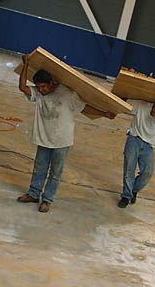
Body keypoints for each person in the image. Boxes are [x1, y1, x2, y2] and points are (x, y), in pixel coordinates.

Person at [17, 54, 115, 213]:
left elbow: (84, 107)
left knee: (55, 172)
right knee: (39, 168)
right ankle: (34, 194)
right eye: (38, 87)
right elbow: (22, 87)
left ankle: (47, 199)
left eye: (43, 87)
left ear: (51, 83)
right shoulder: (39, 93)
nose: (41, 91)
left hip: (62, 141)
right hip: (43, 139)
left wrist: (104, 114)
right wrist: (26, 65)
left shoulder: (67, 94)